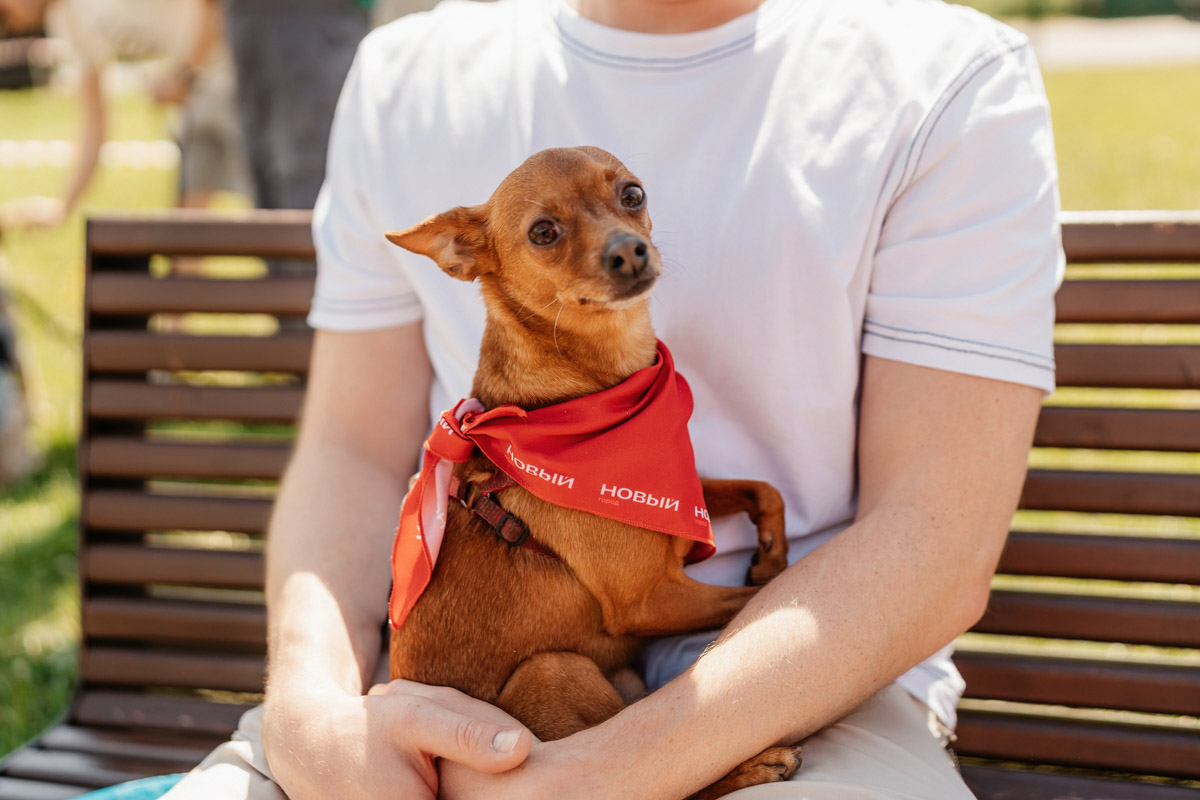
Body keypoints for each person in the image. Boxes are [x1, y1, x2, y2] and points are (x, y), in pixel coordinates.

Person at [156, 0, 1063, 798]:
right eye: (552, 234)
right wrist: (313, 714)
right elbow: (351, 450)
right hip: (438, 700)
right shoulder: (405, 75)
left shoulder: (946, 79)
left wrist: (607, 773)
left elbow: (937, 538)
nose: (621, 244)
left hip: (808, 686)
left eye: (628, 202)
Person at [0, 0, 249, 229]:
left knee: (276, 213)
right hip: (201, 106)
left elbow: (214, 5)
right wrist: (61, 209)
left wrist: (185, 76)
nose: (8, 13)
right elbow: (94, 123)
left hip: (247, 79)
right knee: (186, 242)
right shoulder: (66, 19)